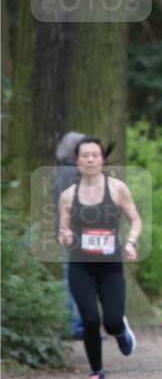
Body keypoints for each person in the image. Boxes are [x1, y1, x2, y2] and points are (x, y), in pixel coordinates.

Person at [58, 137, 141, 379]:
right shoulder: (68, 195)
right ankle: (97, 374)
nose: (90, 159)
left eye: (95, 155)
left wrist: (130, 243)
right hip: (81, 266)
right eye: (85, 155)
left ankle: (121, 330)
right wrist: (66, 235)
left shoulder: (117, 188)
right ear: (77, 160)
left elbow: (136, 220)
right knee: (90, 320)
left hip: (110, 266)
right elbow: (63, 229)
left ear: (102, 159)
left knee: (112, 322)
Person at [53, 131, 88, 339]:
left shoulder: (60, 173)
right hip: (79, 234)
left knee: (72, 279)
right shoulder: (75, 174)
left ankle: (74, 323)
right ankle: (76, 325)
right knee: (76, 281)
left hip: (68, 233)